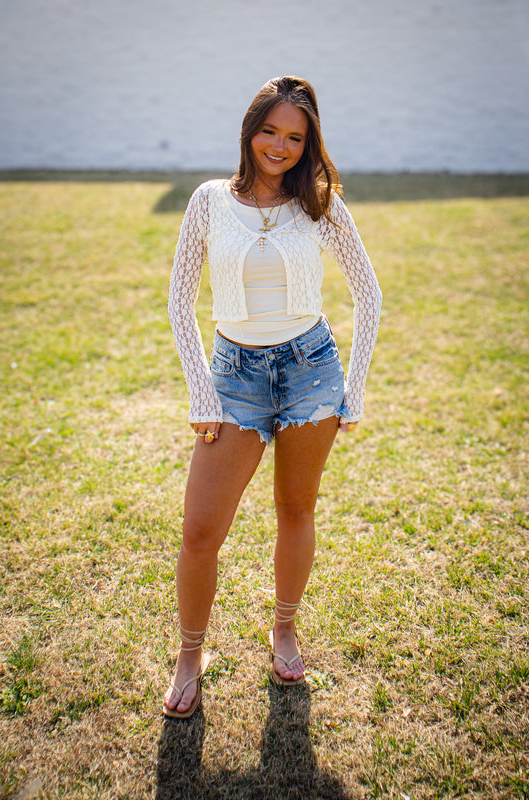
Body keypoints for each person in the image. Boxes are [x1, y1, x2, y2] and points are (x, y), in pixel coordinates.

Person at [164, 76, 382, 718]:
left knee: (295, 508)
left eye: (295, 136)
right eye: (270, 131)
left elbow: (369, 293)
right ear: (249, 130)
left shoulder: (319, 203)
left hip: (311, 371)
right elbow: (179, 300)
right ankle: (189, 653)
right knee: (201, 531)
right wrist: (202, 391)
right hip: (233, 377)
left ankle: (284, 629)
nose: (280, 146)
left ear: (308, 141)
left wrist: (355, 390)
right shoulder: (208, 200)